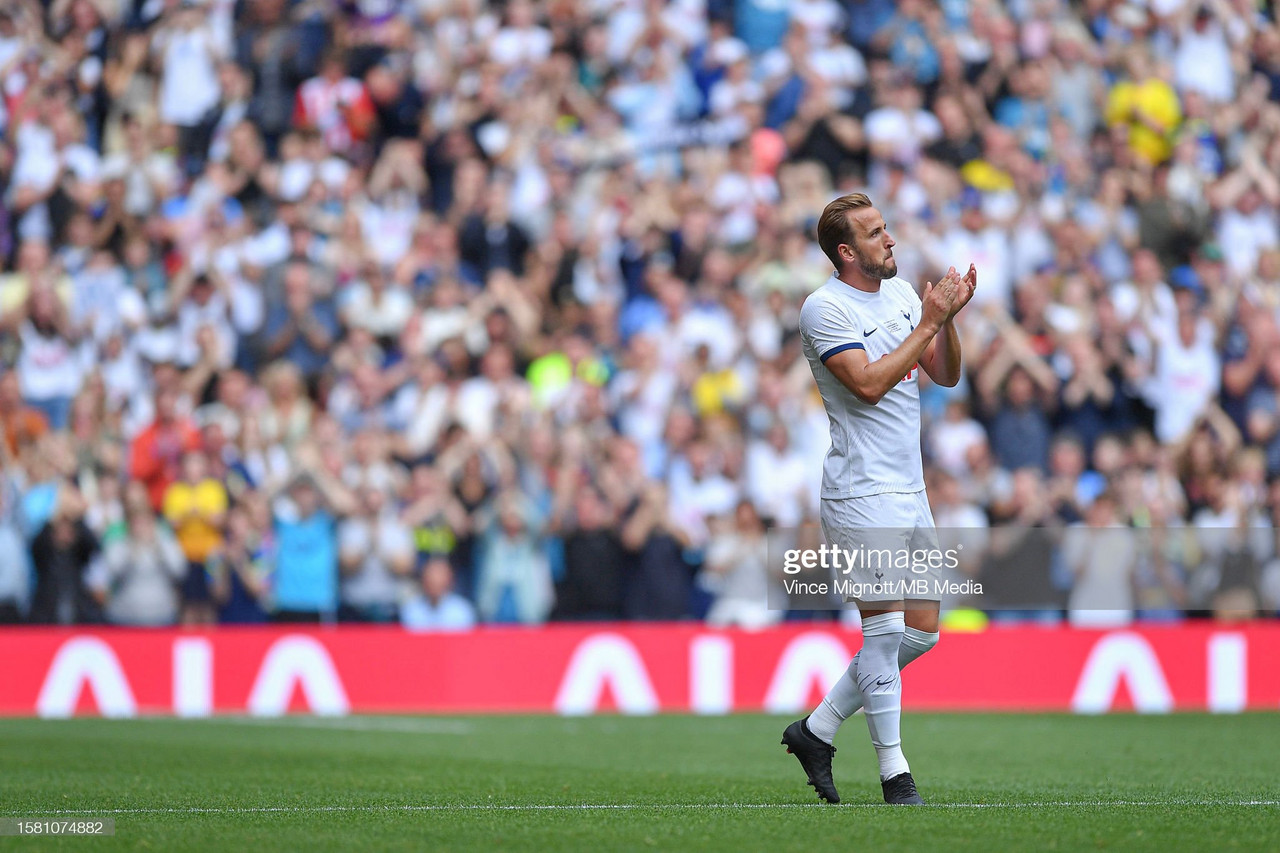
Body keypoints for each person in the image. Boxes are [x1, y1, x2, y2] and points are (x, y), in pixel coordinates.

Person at [783, 192, 976, 805]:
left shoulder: (900, 296)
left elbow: (945, 375)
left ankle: (816, 730)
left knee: (922, 632)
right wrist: (925, 322)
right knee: (887, 630)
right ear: (846, 252)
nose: (889, 240)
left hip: (909, 486)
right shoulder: (824, 309)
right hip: (861, 490)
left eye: (886, 228)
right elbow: (866, 384)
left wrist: (944, 319)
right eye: (874, 233)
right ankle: (897, 778)